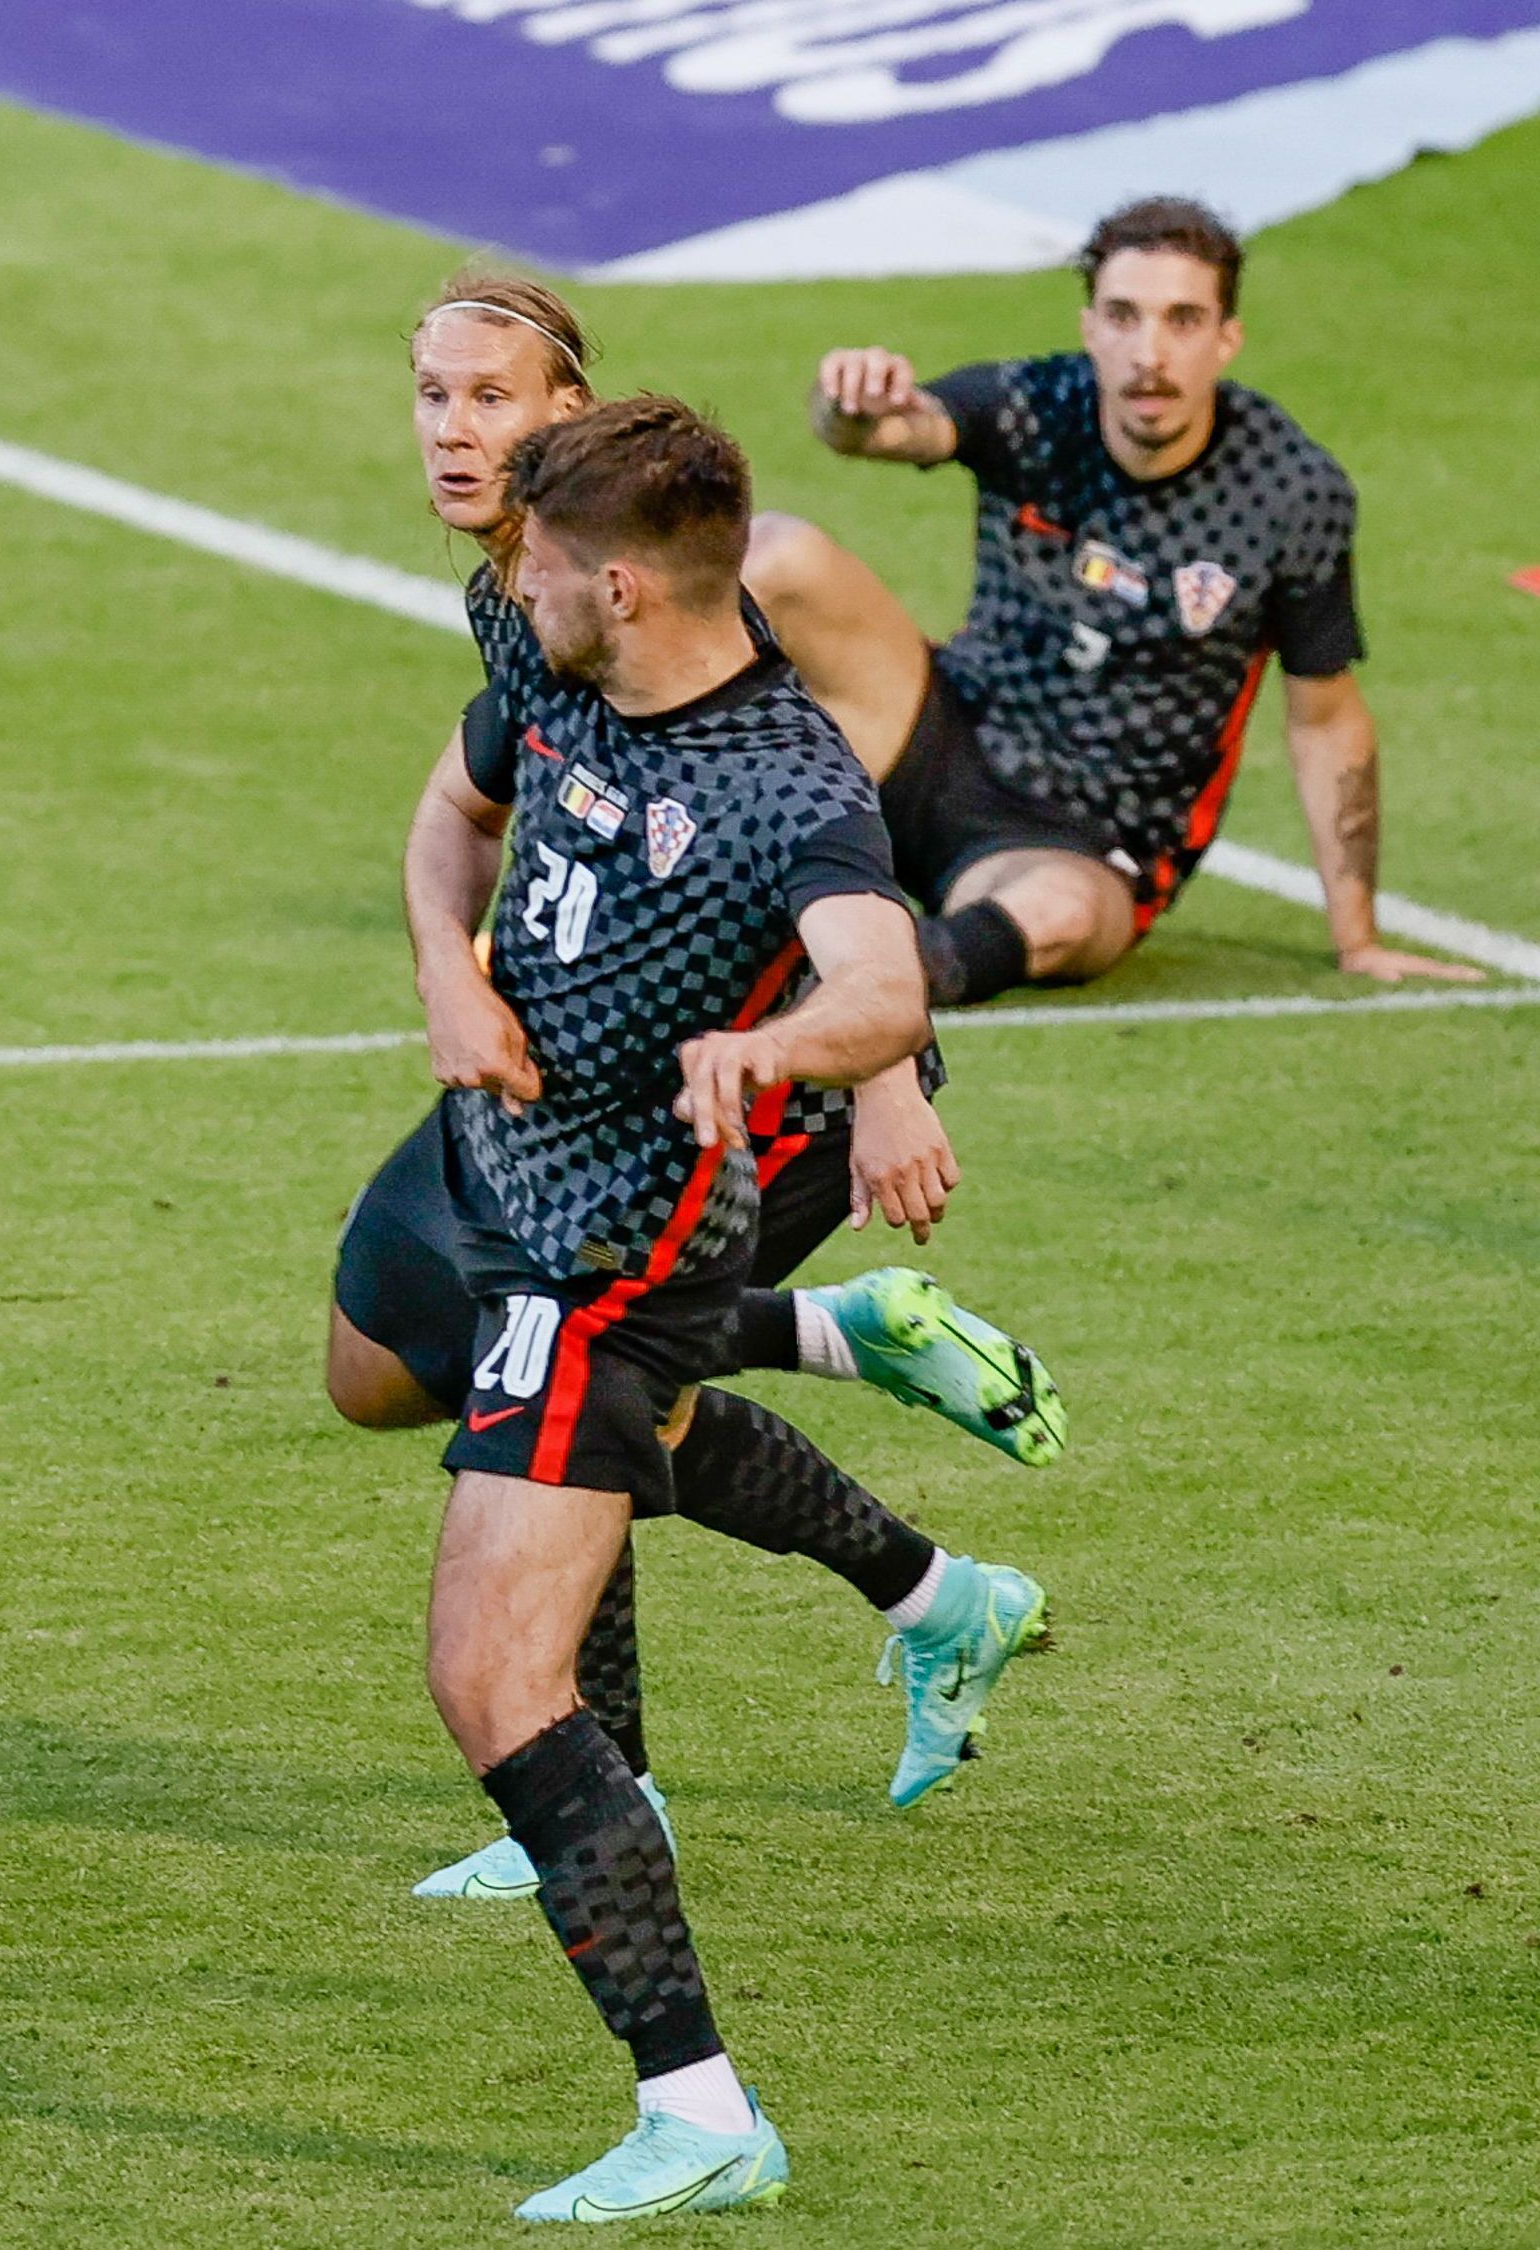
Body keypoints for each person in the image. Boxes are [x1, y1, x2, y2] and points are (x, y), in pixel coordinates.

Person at [350, 278, 1062, 1906]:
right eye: (432, 397)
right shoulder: (517, 599)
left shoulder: (739, 566)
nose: (457, 432)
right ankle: (897, 1501)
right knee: (400, 1363)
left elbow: (849, 799)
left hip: (777, 1081)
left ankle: (620, 1793)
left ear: (572, 413)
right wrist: (451, 970)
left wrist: (883, 1083)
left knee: (565, 1405)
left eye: (493, 399)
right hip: (590, 1071)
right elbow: (477, 798)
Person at [377, 398, 964, 2218]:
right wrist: (452, 985)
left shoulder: (785, 776)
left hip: (615, 1260)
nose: (514, 578)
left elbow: (881, 981)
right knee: (451, 1575)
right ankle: (697, 2103)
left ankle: (703, 2115)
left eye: (542, 561)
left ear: (621, 583)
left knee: (496, 1676)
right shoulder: (558, 672)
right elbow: (449, 817)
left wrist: (778, 1047)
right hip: (510, 1198)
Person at [778, 196, 1471, 1001]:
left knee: (1061, 915)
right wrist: (848, 405)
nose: (1150, 353)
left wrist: (1358, 938)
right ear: (1091, 328)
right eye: (1125, 316)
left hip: (1082, 839)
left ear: (1227, 338)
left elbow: (1326, 717)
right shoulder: (1034, 406)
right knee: (781, 552)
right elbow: (893, 431)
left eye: (1183, 319)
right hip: (933, 733)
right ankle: (622, 811)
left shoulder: (1289, 492)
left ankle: (858, 975)